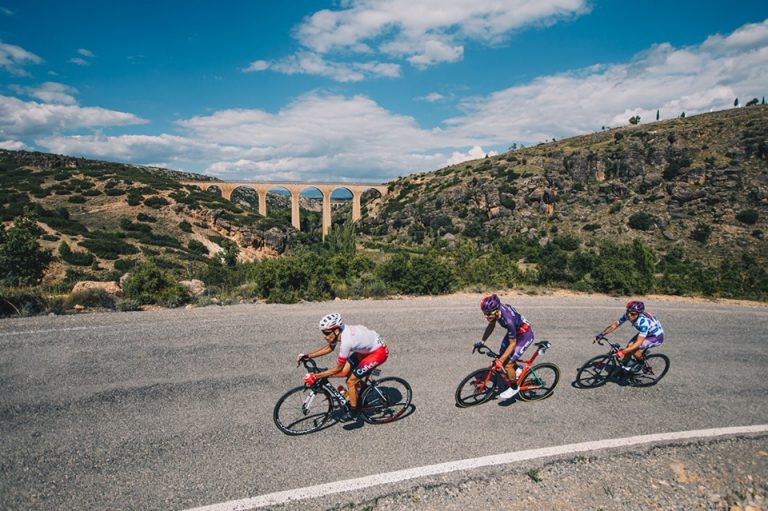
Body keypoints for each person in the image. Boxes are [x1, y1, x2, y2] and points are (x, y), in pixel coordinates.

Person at [297, 313, 388, 421]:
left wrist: (316, 376)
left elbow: (338, 368)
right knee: (345, 372)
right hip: (366, 349)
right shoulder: (340, 332)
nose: (325, 336)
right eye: (323, 333)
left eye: (326, 333)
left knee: (350, 381)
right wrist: (307, 356)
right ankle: (358, 391)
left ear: (336, 331)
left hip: (378, 352)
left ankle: (353, 411)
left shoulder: (346, 342)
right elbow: (330, 348)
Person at [479, 294, 534, 400]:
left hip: (524, 335)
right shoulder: (496, 311)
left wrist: (501, 361)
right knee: (502, 355)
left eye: (488, 313)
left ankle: (514, 388)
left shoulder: (508, 320)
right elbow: (491, 325)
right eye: (485, 313)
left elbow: (513, 343)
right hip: (515, 332)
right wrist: (482, 341)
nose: (486, 316)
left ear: (496, 310)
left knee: (507, 364)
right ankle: (517, 370)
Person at [595, 300, 665, 371]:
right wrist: (601, 334)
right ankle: (626, 366)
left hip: (656, 337)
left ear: (639, 314)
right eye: (628, 312)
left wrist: (622, 352)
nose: (629, 315)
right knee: (629, 346)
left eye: (632, 314)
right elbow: (615, 325)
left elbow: (638, 343)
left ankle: (641, 364)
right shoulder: (629, 314)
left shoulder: (644, 323)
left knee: (633, 348)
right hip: (647, 332)